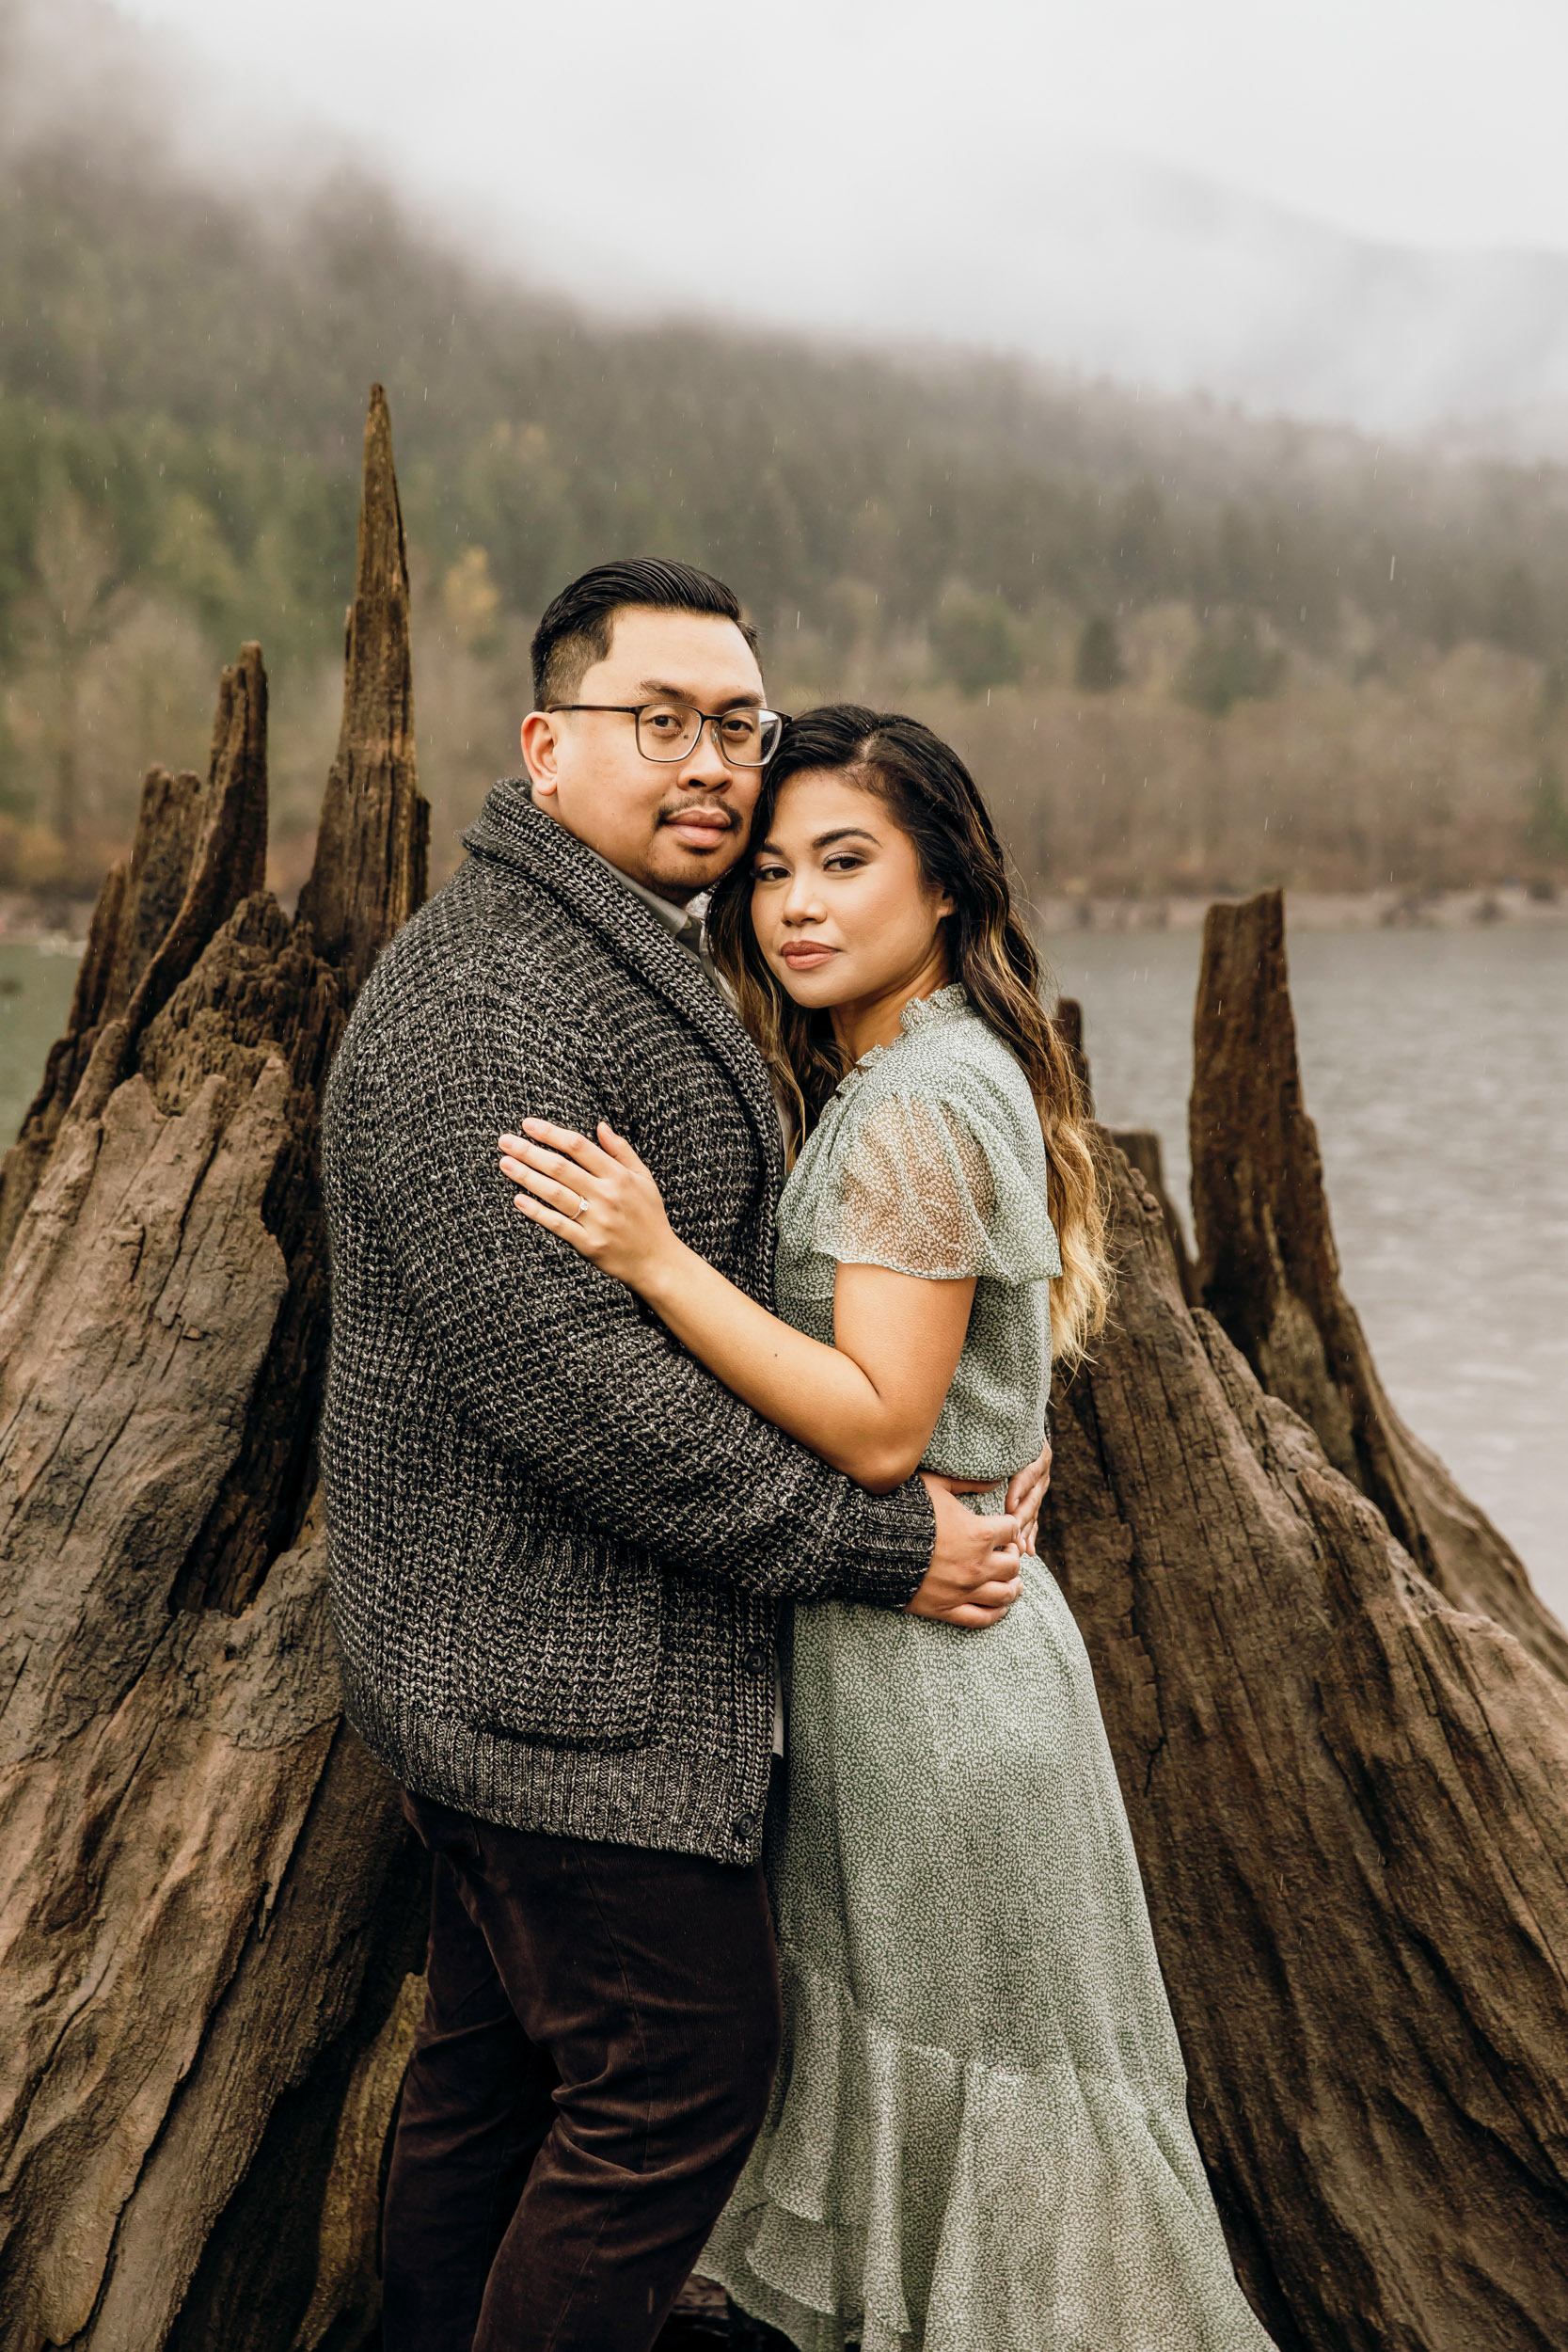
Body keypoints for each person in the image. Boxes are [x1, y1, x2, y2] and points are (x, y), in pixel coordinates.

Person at [319, 563, 1050, 2352]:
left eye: (740, 724)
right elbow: (584, 1397)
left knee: (497, 2084)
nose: (714, 764)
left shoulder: (615, 956)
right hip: (559, 1693)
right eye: (664, 723)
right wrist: (889, 1550)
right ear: (547, 744)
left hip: (558, 1676)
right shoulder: (492, 1002)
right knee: (681, 2092)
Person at [499, 707, 1278, 2352]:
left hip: (936, 1696)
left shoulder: (918, 1103)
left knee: (994, 2148)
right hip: (907, 1671)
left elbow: (879, 1421)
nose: (796, 903)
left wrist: (651, 1257)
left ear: (946, 883)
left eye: (846, 862)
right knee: (941, 2140)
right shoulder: (915, 1073)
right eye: (772, 870)